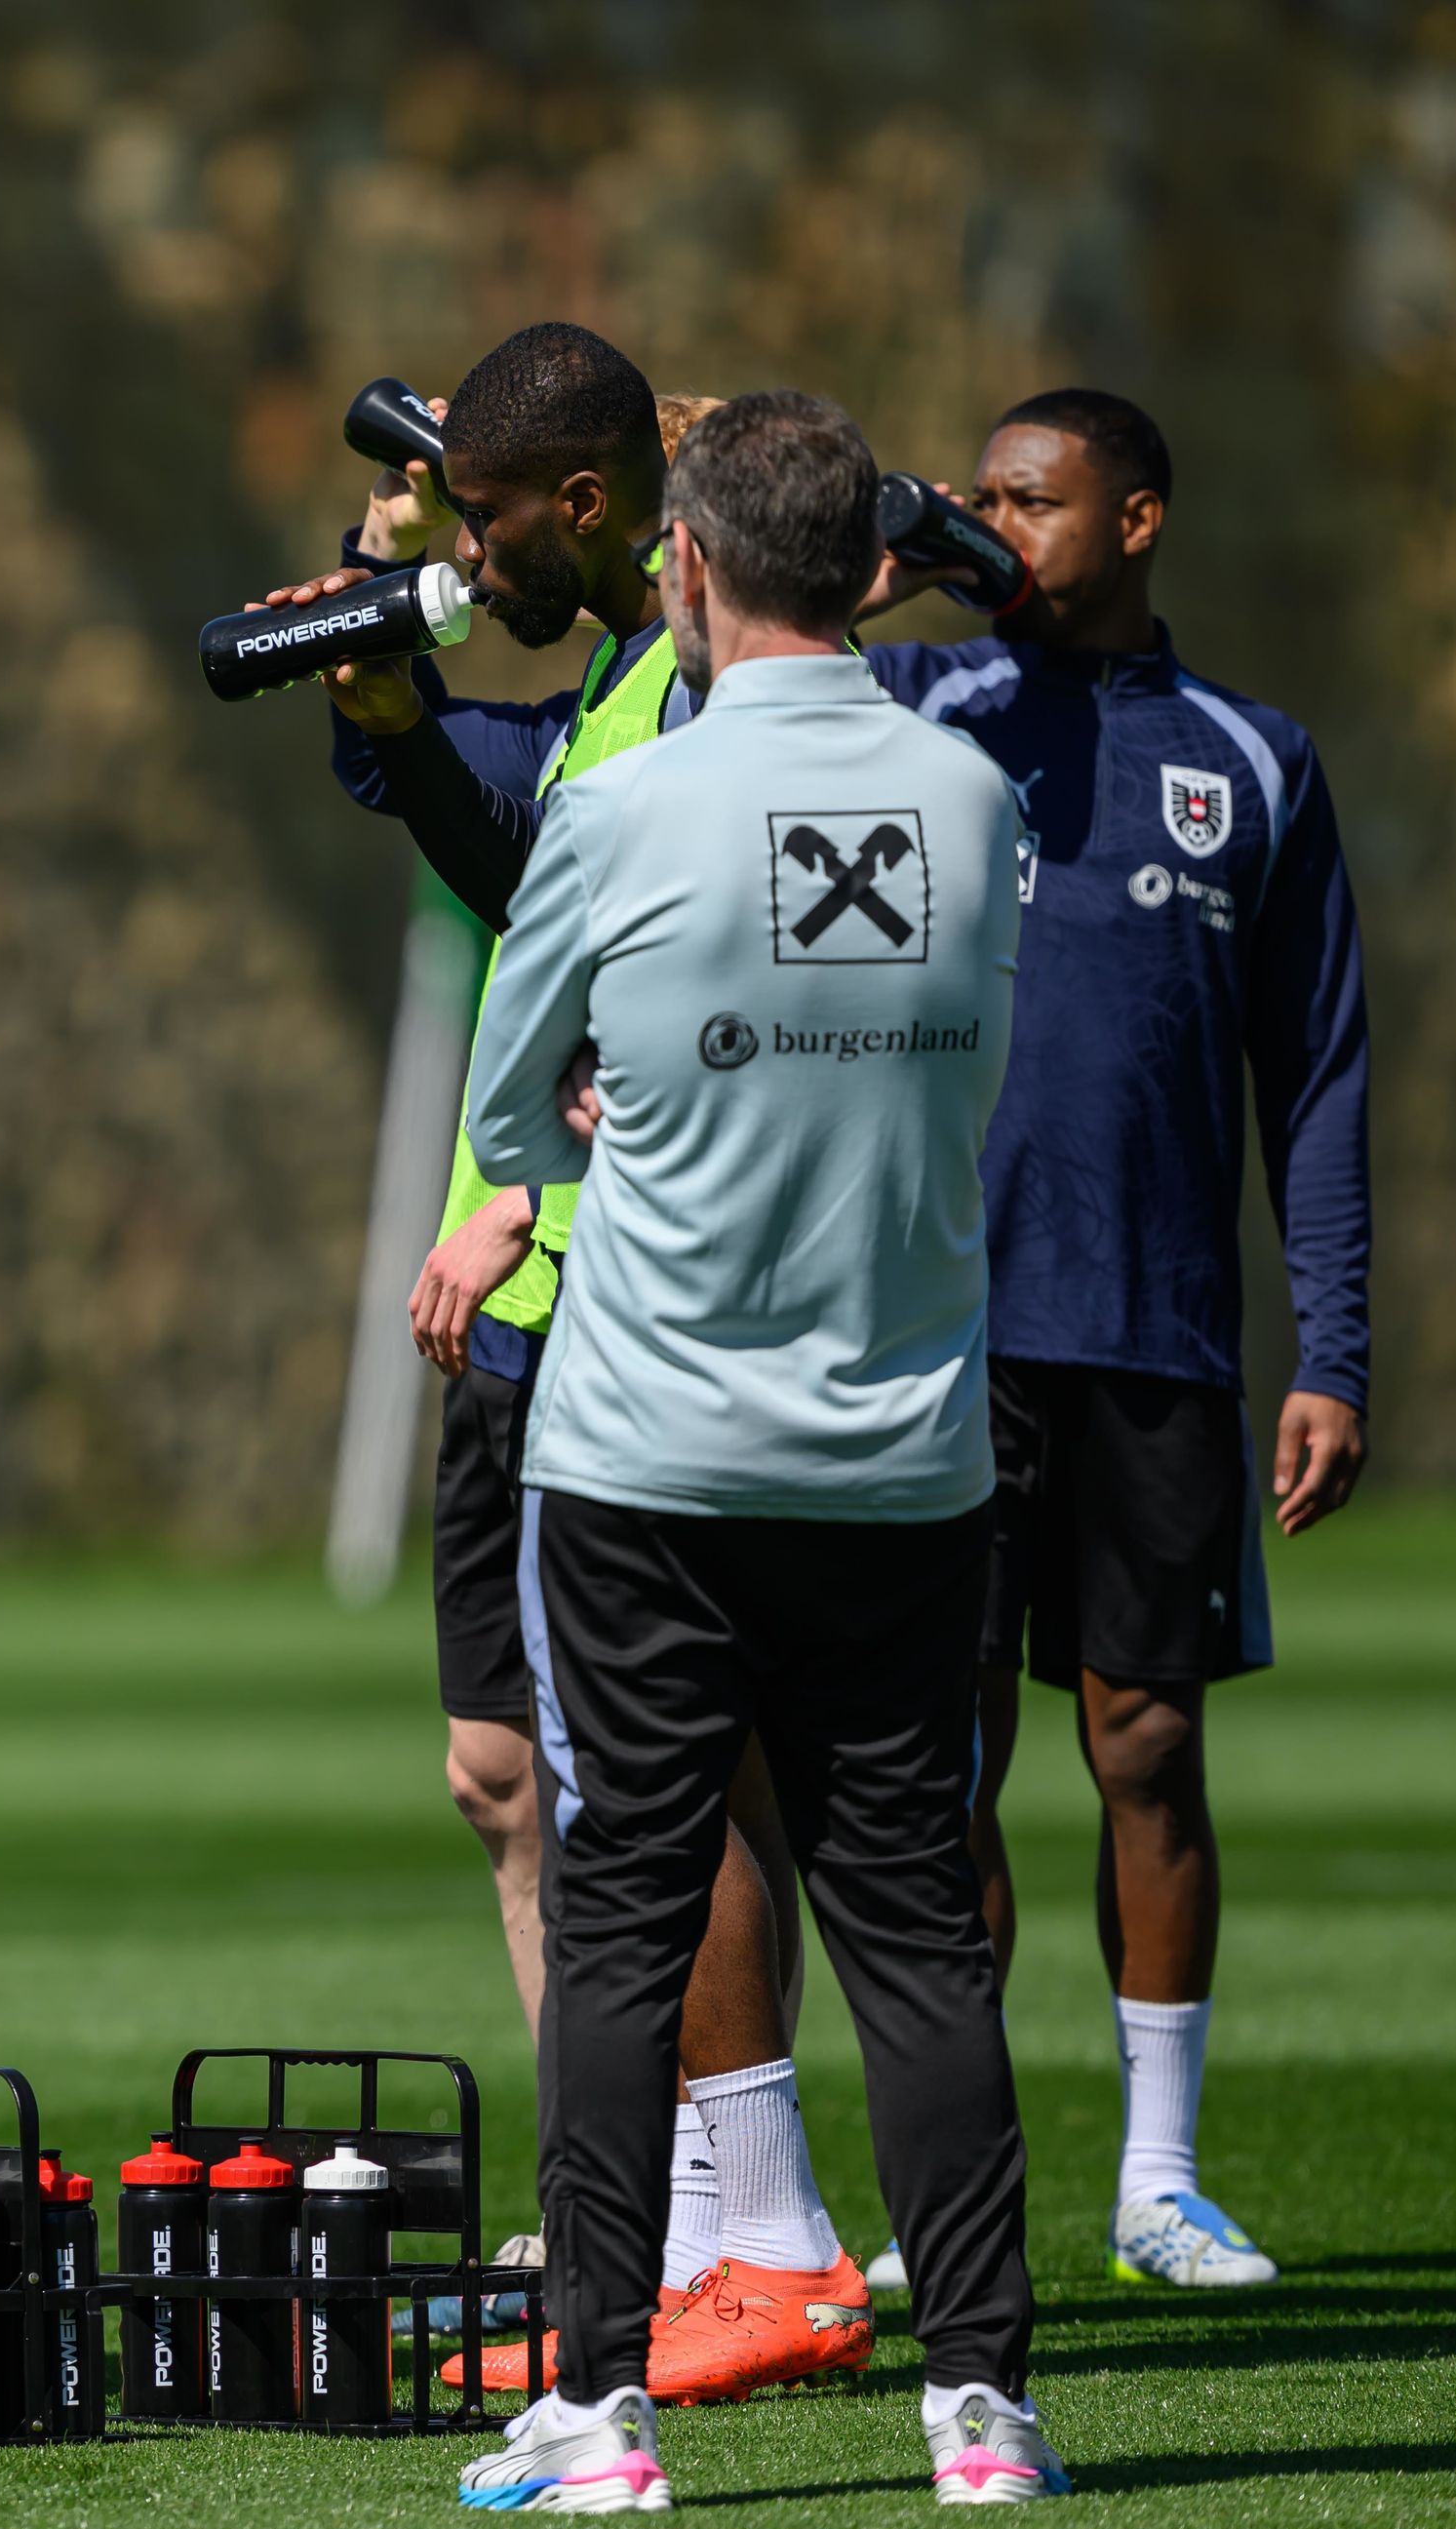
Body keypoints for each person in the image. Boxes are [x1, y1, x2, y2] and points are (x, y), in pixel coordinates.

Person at [450, 391, 1059, 2515]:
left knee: (620, 1919)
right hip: (901, 1455)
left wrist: (626, 1113)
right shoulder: (979, 805)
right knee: (913, 1931)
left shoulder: (616, 809)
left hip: (646, 1461)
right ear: (876, 568)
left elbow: (515, 1123)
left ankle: (593, 2409)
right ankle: (980, 2408)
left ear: (685, 569)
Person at [263, 328, 860, 2401]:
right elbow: (524, 879)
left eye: (485, 510)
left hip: (641, 1299)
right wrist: (384, 699)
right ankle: (642, 2206)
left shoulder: (717, 676)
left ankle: (723, 2227)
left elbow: (635, 947)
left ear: (594, 511)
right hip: (525, 1309)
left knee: (676, 1785)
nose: (465, 543)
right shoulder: (613, 684)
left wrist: (530, 1176)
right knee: (518, 1778)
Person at [857, 390, 1370, 2292]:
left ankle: (1155, 2179)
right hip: (935, 1332)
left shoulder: (1249, 758)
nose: (997, 520)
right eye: (978, 493)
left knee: (1144, 1744)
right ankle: (952, 2186)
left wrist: (1333, 1345)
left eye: (1031, 498)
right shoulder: (908, 714)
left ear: (1134, 519)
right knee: (942, 1762)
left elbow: (1311, 1075)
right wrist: (867, 589)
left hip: (1153, 1329)